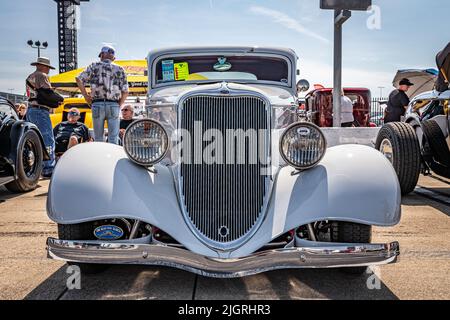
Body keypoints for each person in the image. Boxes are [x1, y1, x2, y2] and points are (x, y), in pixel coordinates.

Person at [76, 45, 129, 145]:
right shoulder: (120, 69)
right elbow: (126, 91)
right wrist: (119, 105)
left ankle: (99, 159)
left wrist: (86, 96)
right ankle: (113, 159)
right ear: (112, 57)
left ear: (103, 54)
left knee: (98, 138)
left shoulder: (93, 66)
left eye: (100, 55)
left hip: (97, 103)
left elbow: (79, 79)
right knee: (113, 138)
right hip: (113, 104)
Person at [25, 57, 58, 178]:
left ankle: (37, 167)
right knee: (47, 139)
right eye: (48, 67)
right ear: (43, 66)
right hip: (40, 110)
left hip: (31, 110)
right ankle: (48, 168)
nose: (49, 70)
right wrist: (59, 99)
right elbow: (48, 93)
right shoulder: (42, 75)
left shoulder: (30, 76)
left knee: (35, 140)